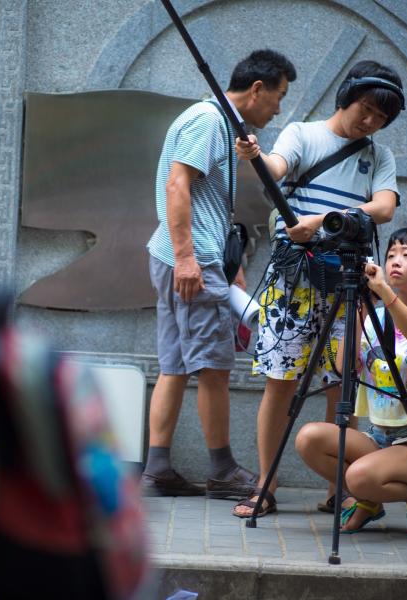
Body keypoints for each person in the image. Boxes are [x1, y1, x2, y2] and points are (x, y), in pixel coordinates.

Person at [232, 60, 403, 518]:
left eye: (381, 118)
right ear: (346, 97)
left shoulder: (380, 157)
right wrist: (256, 158)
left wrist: (326, 222)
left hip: (349, 282)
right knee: (279, 384)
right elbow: (276, 165)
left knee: (341, 385)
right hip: (295, 284)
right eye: (365, 110)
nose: (370, 122)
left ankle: (338, 488)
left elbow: (384, 207)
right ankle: (264, 485)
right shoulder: (302, 134)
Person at [143, 49, 297, 498]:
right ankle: (223, 470)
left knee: (174, 366)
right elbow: (178, 184)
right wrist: (190, 258)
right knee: (213, 367)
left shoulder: (218, 123)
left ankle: (157, 468)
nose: (279, 107)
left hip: (187, 258)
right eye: (279, 96)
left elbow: (205, 201)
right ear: (256, 90)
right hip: (191, 261)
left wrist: (230, 269)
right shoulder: (209, 120)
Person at [295, 229, 407, 536]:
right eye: (391, 255)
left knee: (356, 478)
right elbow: (344, 367)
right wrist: (360, 305)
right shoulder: (374, 316)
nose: (396, 261)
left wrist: (385, 293)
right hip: (379, 436)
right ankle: (372, 499)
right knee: (308, 439)